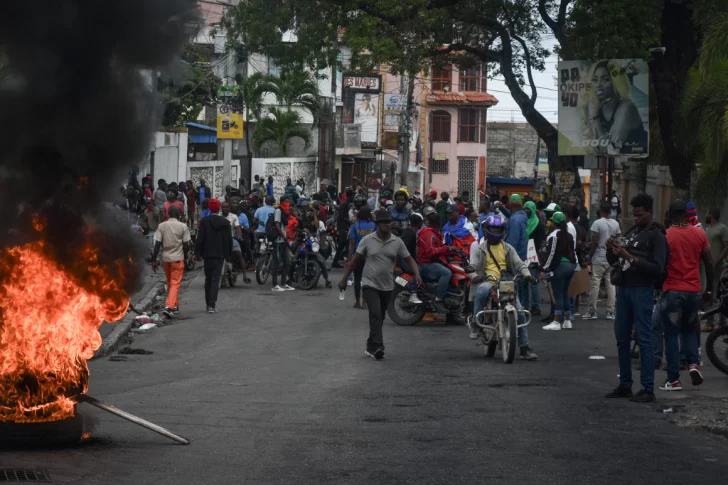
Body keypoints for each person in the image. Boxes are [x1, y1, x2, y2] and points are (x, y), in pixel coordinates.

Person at [604, 193, 666, 403]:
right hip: (624, 288)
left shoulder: (656, 235)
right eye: (634, 214)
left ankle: (648, 388)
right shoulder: (632, 232)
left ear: (650, 212)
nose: (636, 218)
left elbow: (659, 269)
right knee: (622, 338)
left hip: (642, 290)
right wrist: (610, 249)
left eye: (640, 215)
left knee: (644, 338)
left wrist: (629, 257)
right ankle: (625, 384)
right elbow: (614, 260)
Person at [338, 210, 423, 360]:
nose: (387, 225)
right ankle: (378, 347)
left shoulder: (397, 242)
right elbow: (355, 261)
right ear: (377, 225)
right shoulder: (367, 240)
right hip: (370, 284)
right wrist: (344, 279)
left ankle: (370, 345)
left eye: (389, 222)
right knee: (375, 314)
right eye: (384, 222)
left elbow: (409, 259)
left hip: (388, 286)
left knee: (380, 316)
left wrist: (416, 274)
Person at [658, 200, 714, 392]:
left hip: (673, 291)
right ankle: (693, 364)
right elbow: (709, 263)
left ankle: (673, 380)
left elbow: (661, 264)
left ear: (670, 215)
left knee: (672, 334)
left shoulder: (666, 235)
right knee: (690, 329)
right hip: (694, 291)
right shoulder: (699, 233)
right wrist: (709, 290)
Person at [467, 214, 538, 360]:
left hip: (507, 283)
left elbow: (519, 263)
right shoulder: (479, 249)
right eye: (492, 228)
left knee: (521, 312)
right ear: (486, 229)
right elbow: (472, 266)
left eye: (498, 229)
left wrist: (527, 274)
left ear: (502, 230)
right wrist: (474, 276)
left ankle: (525, 347)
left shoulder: (508, 248)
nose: (495, 231)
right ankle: (476, 323)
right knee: (481, 291)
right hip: (488, 281)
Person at [587, 60, 647, 155]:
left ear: (616, 83)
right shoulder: (595, 107)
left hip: (637, 157)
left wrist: (594, 118)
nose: (598, 85)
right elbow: (590, 147)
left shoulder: (627, 108)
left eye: (605, 79)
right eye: (595, 80)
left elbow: (608, 150)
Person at [151, 205, 190, 316]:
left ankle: (175, 305)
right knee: (175, 283)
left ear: (168, 214)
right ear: (179, 215)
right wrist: (185, 256)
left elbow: (157, 244)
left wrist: (154, 259)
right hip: (178, 258)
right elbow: (186, 244)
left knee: (170, 282)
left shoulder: (162, 226)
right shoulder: (183, 226)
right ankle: (169, 306)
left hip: (166, 258)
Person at [195, 198, 233, 313]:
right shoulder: (225, 223)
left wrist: (198, 253)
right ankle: (212, 305)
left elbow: (200, 239)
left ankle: (208, 304)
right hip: (220, 254)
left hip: (207, 254)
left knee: (208, 279)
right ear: (219, 208)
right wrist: (228, 255)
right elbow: (228, 240)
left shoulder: (204, 221)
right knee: (216, 279)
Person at [584, 202, 621, 320]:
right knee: (611, 284)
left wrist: (590, 257)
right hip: (611, 258)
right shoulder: (615, 223)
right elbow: (618, 239)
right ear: (610, 212)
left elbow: (595, 241)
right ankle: (610, 311)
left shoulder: (597, 223)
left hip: (599, 257)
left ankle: (592, 311)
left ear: (600, 212)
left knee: (595, 284)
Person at [541, 212, 577, 331]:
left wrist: (545, 268)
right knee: (565, 293)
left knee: (558, 294)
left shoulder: (554, 235)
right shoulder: (568, 235)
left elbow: (551, 254)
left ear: (554, 222)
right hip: (571, 266)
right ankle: (567, 320)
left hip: (560, 267)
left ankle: (556, 321)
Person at [418, 212, 456, 313]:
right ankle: (438, 299)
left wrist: (453, 250)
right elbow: (431, 252)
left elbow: (439, 248)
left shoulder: (434, 233)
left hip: (431, 262)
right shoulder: (429, 235)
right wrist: (446, 248)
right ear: (438, 223)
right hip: (426, 264)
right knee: (446, 272)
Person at [703, 207, 728, 331]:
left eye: (707, 213)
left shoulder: (722, 228)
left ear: (712, 215)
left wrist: (717, 261)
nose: (706, 215)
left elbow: (727, 247)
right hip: (709, 268)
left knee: (720, 297)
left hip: (719, 268)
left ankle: (722, 325)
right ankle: (710, 323)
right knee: (709, 294)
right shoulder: (707, 229)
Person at [348, 207, 377, 308]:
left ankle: (357, 301)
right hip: (370, 256)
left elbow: (352, 243)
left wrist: (349, 258)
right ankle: (364, 301)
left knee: (357, 279)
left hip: (357, 255)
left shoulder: (355, 226)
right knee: (367, 280)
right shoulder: (373, 225)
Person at [524, 200, 546, 315]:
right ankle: (525, 305)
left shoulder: (539, 224)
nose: (526, 211)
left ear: (533, 210)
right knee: (523, 280)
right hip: (524, 254)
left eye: (528, 209)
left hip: (534, 255)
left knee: (533, 281)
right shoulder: (524, 222)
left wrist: (540, 258)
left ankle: (536, 307)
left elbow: (542, 242)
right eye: (525, 208)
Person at [221, 201, 251, 284]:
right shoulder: (218, 216)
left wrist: (239, 235)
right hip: (219, 240)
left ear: (229, 208)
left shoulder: (233, 216)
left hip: (231, 239)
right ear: (221, 208)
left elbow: (237, 227)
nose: (225, 209)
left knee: (238, 253)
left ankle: (245, 275)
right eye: (223, 207)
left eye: (227, 207)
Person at [271, 196, 295, 292]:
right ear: (281, 202)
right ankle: (274, 285)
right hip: (278, 240)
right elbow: (277, 224)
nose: (288, 203)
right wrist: (283, 235)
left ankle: (284, 283)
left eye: (288, 201)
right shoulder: (278, 211)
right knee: (276, 262)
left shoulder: (285, 212)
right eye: (286, 201)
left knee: (286, 262)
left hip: (283, 241)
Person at [332, 189, 355, 268]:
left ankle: (336, 261)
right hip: (343, 228)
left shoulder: (346, 204)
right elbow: (341, 216)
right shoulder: (344, 204)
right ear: (350, 196)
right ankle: (346, 261)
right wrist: (349, 221)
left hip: (344, 227)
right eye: (353, 196)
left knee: (342, 246)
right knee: (346, 244)